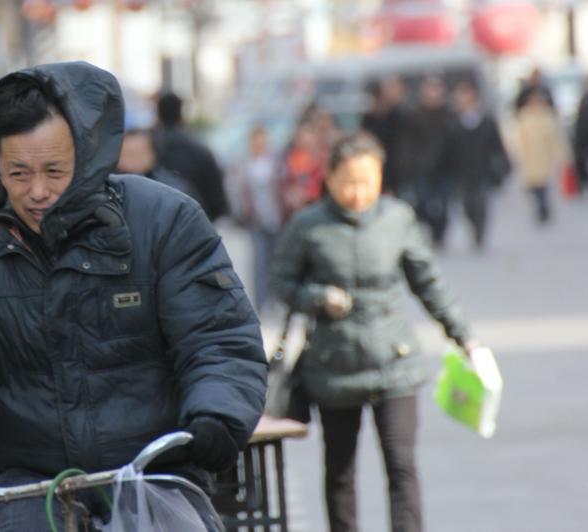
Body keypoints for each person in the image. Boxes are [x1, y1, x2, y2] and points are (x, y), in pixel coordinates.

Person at [0, 62, 267, 531]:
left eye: (55, 170)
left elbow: (217, 338)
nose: (38, 191)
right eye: (19, 173)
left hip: (153, 472)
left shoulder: (165, 220)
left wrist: (215, 416)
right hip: (29, 483)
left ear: (86, 159)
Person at [270, 132, 478, 532]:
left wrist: (463, 335)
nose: (358, 192)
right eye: (349, 181)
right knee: (340, 470)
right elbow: (280, 283)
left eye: (368, 181)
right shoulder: (308, 226)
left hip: (394, 361)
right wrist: (317, 296)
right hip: (334, 367)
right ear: (328, 178)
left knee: (402, 466)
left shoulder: (396, 218)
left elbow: (428, 282)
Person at [450, 80, 510, 251]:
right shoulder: (454, 123)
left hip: (482, 170)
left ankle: (480, 233)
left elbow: (497, 146)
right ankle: (473, 227)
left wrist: (503, 167)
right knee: (467, 205)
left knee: (481, 203)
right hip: (462, 171)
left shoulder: (486, 121)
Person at [152, 91, 229, 222]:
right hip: (196, 225)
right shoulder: (199, 150)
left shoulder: (148, 151)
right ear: (181, 115)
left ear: (158, 115)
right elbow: (218, 201)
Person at [231, 124, 283, 313]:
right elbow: (236, 190)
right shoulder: (244, 164)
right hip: (256, 220)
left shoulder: (276, 162)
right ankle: (261, 304)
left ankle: (276, 301)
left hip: (276, 218)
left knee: (276, 261)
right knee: (260, 263)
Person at [404, 76, 456, 247]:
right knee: (423, 203)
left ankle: (439, 234)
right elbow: (409, 144)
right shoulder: (415, 116)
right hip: (422, 169)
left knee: (443, 203)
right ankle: (432, 228)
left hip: (445, 168)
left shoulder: (449, 115)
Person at [515, 89, 571, 225]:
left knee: (543, 185)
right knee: (534, 186)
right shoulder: (524, 117)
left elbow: (557, 138)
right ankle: (541, 209)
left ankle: (543, 210)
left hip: (545, 157)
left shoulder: (548, 117)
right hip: (530, 157)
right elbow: (519, 139)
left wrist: (564, 156)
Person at [117, 127, 201, 200]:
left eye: (137, 154)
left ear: (153, 155)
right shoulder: (110, 186)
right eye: (125, 154)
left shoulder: (173, 190)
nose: (129, 160)